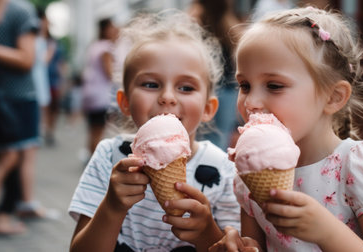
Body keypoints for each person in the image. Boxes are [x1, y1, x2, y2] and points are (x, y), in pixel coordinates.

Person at [210, 6, 363, 252]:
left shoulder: (361, 166)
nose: (251, 102)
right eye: (244, 85)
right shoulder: (248, 173)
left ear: (333, 97)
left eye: (274, 85)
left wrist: (327, 232)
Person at [68, 10, 240, 252]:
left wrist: (207, 233)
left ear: (208, 108)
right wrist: (112, 208)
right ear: (124, 102)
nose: (167, 97)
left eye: (186, 87)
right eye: (151, 84)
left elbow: (232, 245)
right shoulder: (109, 158)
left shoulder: (223, 171)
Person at [0, 0, 39, 234]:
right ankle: (4, 215)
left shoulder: (19, 10)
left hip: (18, 98)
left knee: (15, 155)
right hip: (5, 99)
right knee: (11, 155)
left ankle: (7, 213)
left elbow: (26, 59)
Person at [188, 0, 244, 149]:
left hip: (206, 89)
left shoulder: (194, 21)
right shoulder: (230, 24)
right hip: (226, 90)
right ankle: (216, 168)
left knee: (197, 135)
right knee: (220, 137)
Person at [80, 17, 119, 158]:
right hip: (101, 96)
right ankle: (95, 160)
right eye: (112, 27)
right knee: (99, 130)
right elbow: (110, 74)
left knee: (92, 130)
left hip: (89, 93)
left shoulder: (94, 45)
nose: (116, 30)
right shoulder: (106, 48)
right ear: (105, 29)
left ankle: (89, 156)